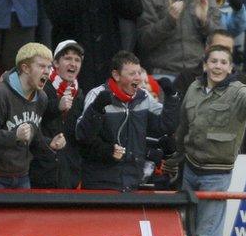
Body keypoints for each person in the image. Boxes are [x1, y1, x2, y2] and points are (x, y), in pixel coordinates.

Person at [162, 45, 246, 236]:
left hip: (216, 174)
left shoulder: (238, 90)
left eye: (223, 62)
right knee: (189, 231)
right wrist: (173, 160)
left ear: (230, 68)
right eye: (213, 61)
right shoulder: (193, 88)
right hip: (189, 169)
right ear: (205, 65)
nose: (217, 66)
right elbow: (183, 128)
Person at [76, 51, 179, 191]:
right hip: (100, 182)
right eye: (132, 74)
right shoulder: (97, 95)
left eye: (138, 72)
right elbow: (83, 135)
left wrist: (171, 97)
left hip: (132, 182)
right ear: (116, 75)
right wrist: (96, 109)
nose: (138, 78)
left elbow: (166, 125)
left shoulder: (143, 97)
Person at [0, 43, 66, 189]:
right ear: (25, 68)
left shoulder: (42, 98)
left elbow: (34, 133)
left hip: (21, 175)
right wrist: (14, 136)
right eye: (41, 66)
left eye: (49, 67)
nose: (47, 72)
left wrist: (50, 143)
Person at [138, 0, 221, 81]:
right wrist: (168, 21)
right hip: (164, 74)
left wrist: (205, 21)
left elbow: (220, 42)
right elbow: (144, 42)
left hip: (199, 75)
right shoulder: (151, 0)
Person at [30, 40, 85, 188]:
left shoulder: (79, 94)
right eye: (67, 58)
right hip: (42, 171)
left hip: (69, 174)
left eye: (77, 60)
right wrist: (56, 107)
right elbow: (34, 122)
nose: (73, 64)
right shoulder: (41, 87)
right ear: (55, 63)